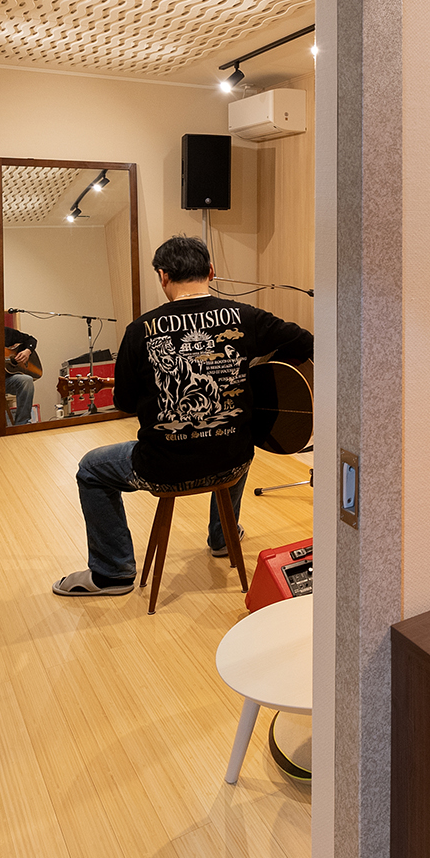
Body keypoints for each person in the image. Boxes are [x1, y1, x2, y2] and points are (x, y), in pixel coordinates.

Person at [53, 234, 313, 596]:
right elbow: (307, 342)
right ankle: (222, 537)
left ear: (163, 276)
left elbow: (125, 402)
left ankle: (112, 573)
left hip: (162, 469)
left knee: (91, 469)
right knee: (236, 433)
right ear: (211, 271)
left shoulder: (139, 331)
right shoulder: (246, 317)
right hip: (231, 463)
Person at [2, 323, 41, 425]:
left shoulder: (5, 332)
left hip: (8, 380)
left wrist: (27, 351)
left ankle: (22, 423)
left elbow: (31, 339)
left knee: (26, 380)